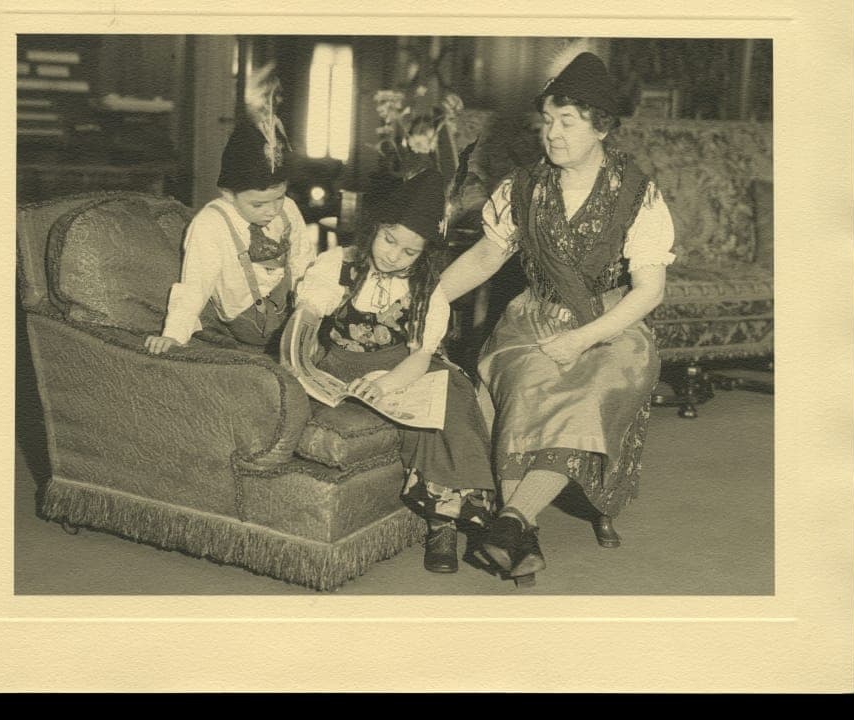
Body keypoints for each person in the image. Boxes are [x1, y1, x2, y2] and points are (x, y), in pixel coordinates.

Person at [438, 52, 676, 583]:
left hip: (613, 324)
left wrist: (582, 340)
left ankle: (512, 519)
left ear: (601, 128)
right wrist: (430, 299)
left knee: (593, 390)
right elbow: (484, 257)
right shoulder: (521, 187)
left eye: (567, 122)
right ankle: (515, 525)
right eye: (548, 121)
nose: (553, 133)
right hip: (534, 318)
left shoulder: (640, 194)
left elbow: (650, 290)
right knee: (525, 381)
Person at [296, 169, 496, 574]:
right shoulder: (339, 264)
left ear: (424, 254)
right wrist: (301, 336)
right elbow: (308, 315)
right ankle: (441, 515)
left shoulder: (427, 289)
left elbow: (420, 358)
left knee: (452, 396)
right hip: (342, 362)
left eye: (409, 252)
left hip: (400, 365)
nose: (393, 255)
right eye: (389, 240)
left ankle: (442, 523)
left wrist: (386, 384)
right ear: (374, 228)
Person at [145, 102, 316, 355]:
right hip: (248, 324)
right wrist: (173, 335)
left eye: (278, 197)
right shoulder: (210, 223)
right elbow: (195, 285)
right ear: (228, 194)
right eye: (258, 204)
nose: (271, 210)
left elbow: (303, 260)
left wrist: (308, 309)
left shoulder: (288, 208)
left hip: (290, 312)